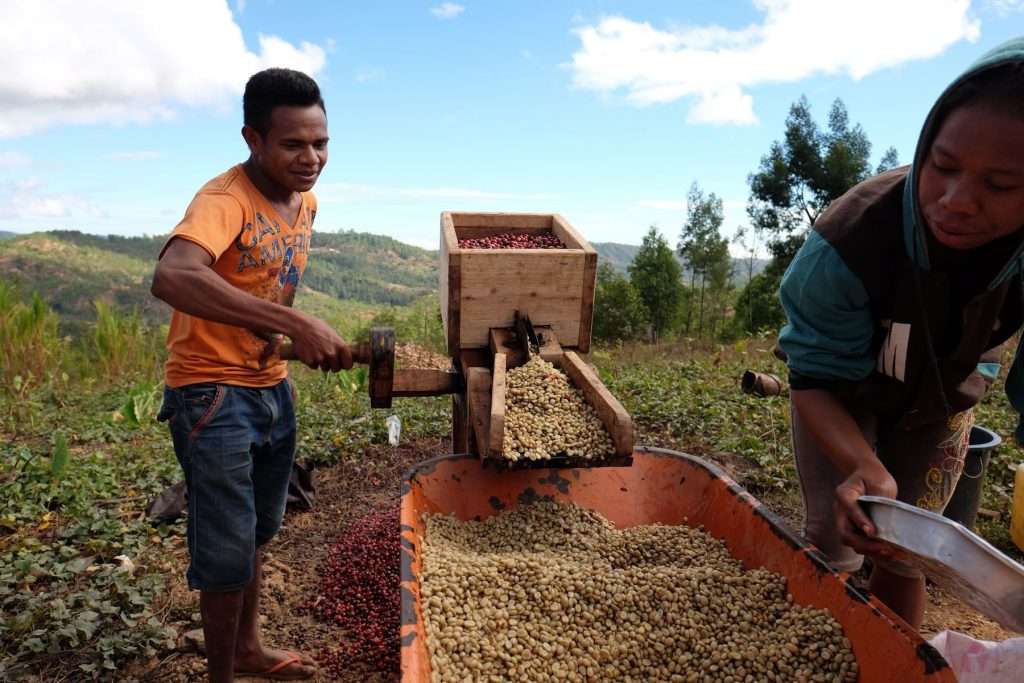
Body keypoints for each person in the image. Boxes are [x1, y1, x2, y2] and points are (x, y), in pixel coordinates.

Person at [778, 38, 1024, 630]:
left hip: (941, 402)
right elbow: (813, 380)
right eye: (941, 167)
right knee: (834, 541)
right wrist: (863, 464)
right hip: (842, 399)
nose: (957, 201)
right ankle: (809, 648)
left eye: (999, 185)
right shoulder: (848, 243)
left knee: (909, 554)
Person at [151, 68, 352, 681]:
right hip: (211, 394)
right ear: (253, 139)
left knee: (258, 531)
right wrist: (296, 325)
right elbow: (175, 276)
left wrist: (280, 337)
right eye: (293, 144)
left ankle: (248, 649)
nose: (311, 158)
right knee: (226, 546)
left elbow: (256, 285)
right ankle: (221, 674)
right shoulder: (225, 200)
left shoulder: (304, 201)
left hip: (268, 388)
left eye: (320, 142)